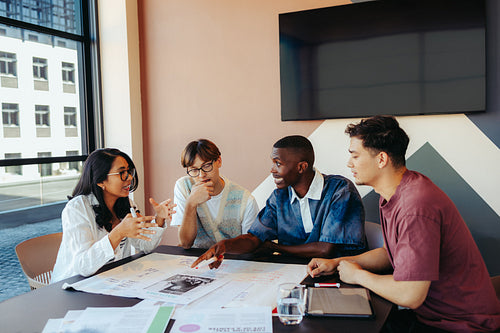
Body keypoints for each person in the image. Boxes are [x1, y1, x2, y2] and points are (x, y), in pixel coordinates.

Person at [307, 115, 500, 332]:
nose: (349, 163)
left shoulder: (415, 206)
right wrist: (338, 262)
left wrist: (358, 275)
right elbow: (390, 254)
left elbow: (410, 294)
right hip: (431, 316)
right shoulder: (394, 192)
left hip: (461, 326)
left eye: (355, 155)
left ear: (381, 159)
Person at [192, 135, 366, 269]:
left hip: (342, 276)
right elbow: (254, 238)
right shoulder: (279, 197)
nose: (272, 170)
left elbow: (324, 250)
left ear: (301, 167)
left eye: (278, 163)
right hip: (295, 272)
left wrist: (276, 247)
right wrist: (224, 246)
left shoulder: (340, 190)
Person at [51, 148, 175, 283]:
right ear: (100, 181)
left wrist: (159, 218)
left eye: (129, 171)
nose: (129, 177)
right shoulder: (77, 208)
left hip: (111, 280)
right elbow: (83, 266)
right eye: (122, 173)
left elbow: (145, 246)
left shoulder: (126, 204)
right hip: (75, 286)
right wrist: (118, 233)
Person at [171, 139, 259, 249]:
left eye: (206, 166)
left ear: (219, 161)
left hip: (231, 261)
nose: (201, 175)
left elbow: (250, 247)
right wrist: (191, 203)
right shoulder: (184, 186)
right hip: (195, 261)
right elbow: (185, 243)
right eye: (194, 170)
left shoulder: (245, 200)